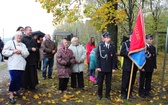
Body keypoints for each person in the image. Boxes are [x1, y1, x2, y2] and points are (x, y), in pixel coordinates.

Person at [2, 31, 29, 104]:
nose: (19, 37)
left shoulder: (23, 45)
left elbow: (27, 54)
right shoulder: (10, 43)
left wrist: (21, 52)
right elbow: (4, 52)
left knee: (19, 80)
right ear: (15, 36)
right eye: (18, 36)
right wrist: (13, 52)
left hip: (21, 65)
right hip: (13, 65)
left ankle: (15, 91)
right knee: (13, 79)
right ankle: (11, 95)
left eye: (20, 36)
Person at [96, 32, 116, 100]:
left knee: (108, 82)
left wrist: (113, 67)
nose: (108, 39)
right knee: (100, 82)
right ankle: (99, 94)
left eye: (109, 37)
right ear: (104, 38)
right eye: (107, 37)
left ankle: (107, 95)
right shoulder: (100, 46)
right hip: (101, 67)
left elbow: (114, 58)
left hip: (109, 67)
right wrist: (98, 66)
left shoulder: (112, 46)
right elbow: (98, 57)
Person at [120, 33, 138, 99]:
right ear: (130, 36)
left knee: (132, 81)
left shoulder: (136, 44)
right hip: (127, 65)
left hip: (134, 65)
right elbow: (122, 53)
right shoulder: (125, 43)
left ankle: (129, 93)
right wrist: (129, 53)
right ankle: (123, 93)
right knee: (125, 80)